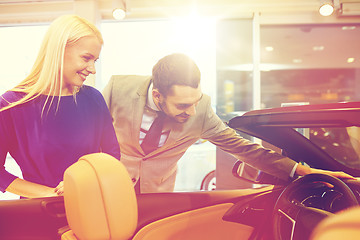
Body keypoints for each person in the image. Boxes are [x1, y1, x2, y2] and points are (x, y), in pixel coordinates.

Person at [102, 53, 353, 193]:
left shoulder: (200, 112)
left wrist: (303, 171)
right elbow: (89, 139)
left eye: (195, 101)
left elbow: (244, 149)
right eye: (182, 105)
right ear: (157, 95)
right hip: (109, 186)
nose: (191, 111)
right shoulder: (117, 89)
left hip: (158, 195)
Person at [0, 15, 120, 199]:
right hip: (39, 210)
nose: (92, 69)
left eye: (94, 61)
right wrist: (48, 194)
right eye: (86, 58)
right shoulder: (11, 104)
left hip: (91, 205)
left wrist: (83, 180)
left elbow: (112, 156)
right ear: (59, 51)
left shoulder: (94, 99)